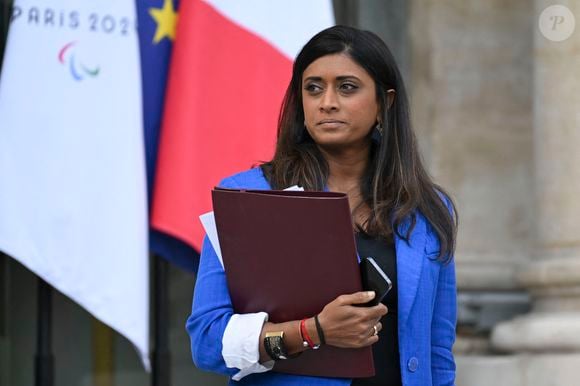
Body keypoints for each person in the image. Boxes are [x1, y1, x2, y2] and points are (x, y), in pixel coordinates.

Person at [186, 25, 458, 386]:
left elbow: (437, 353)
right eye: (313, 88)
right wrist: (312, 331)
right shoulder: (249, 196)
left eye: (347, 87)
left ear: (385, 102)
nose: (327, 101)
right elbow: (207, 341)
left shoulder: (427, 208)